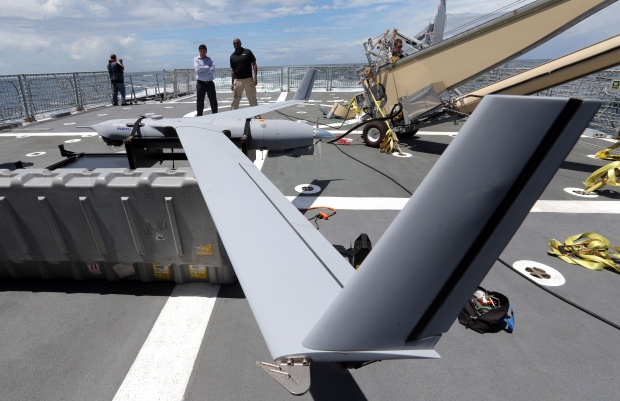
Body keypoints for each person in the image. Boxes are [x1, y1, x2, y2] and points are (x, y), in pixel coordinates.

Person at [230, 38, 258, 110]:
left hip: (248, 79)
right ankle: (233, 115)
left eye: (237, 43)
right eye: (234, 43)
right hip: (237, 80)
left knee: (252, 98)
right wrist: (232, 83)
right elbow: (233, 71)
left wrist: (255, 77)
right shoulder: (232, 56)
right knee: (235, 99)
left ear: (240, 43)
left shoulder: (247, 52)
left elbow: (254, 64)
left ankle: (256, 114)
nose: (236, 44)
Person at [194, 44, 218, 116]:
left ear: (206, 51)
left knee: (213, 101)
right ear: (199, 51)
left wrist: (202, 68)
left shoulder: (210, 59)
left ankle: (215, 115)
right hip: (200, 83)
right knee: (200, 101)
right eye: (201, 51)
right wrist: (207, 67)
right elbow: (197, 69)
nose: (202, 53)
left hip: (210, 83)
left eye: (203, 51)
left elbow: (213, 70)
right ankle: (199, 116)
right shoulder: (196, 59)